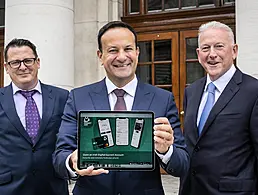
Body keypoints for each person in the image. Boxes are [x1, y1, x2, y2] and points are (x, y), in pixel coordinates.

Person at [53, 21, 188, 195]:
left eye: (128, 49)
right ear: (100, 55)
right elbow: (59, 156)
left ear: (137, 53)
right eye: (113, 50)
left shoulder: (163, 99)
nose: (122, 57)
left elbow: (182, 164)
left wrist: (166, 150)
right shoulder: (78, 97)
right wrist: (72, 161)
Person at [180, 21, 258, 195]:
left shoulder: (253, 91)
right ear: (198, 54)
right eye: (206, 48)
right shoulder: (191, 91)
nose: (212, 54)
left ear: (234, 50)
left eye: (219, 46)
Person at [0, 38, 69, 195]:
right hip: (8, 188)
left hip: (53, 187)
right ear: (6, 67)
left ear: (38, 62)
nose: (23, 67)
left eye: (28, 61)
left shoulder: (62, 97)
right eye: (15, 62)